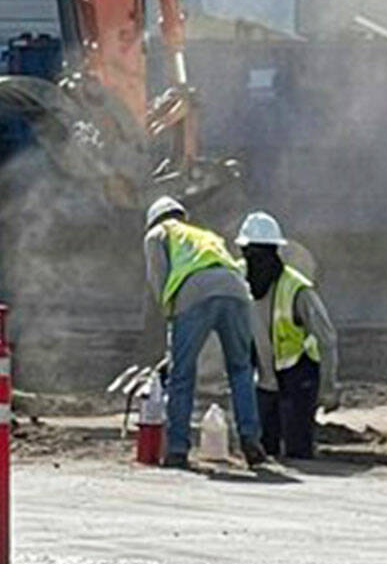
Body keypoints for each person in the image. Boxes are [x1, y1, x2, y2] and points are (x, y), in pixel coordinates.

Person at [143, 196, 267, 468]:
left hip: (195, 293)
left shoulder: (158, 233)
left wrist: (171, 325)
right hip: (236, 290)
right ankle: (250, 441)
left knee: (182, 374)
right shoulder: (205, 235)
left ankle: (177, 449)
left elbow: (159, 282)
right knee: (240, 369)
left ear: (154, 219)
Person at [236, 211, 339, 460]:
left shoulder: (297, 289)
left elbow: (326, 339)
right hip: (264, 380)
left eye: (262, 254)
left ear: (275, 254)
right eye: (251, 253)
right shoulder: (237, 279)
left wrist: (327, 388)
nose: (255, 261)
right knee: (265, 448)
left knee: (297, 450)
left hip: (298, 375)